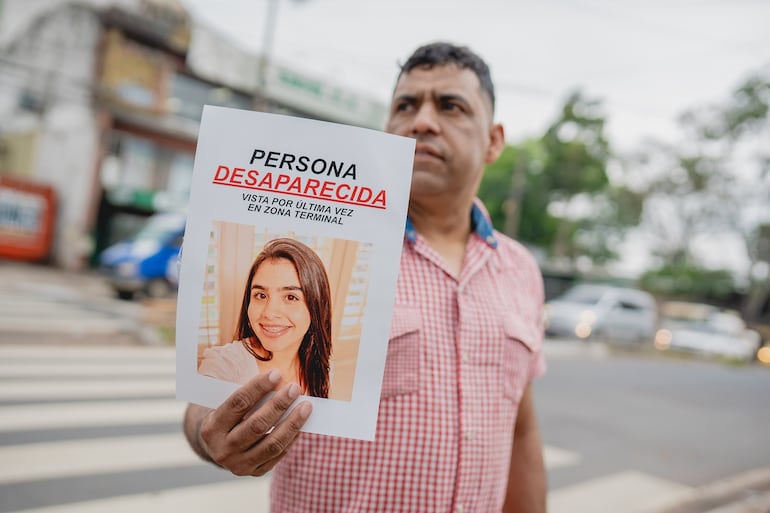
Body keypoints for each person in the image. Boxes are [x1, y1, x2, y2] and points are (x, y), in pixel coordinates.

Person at [183, 41, 547, 512]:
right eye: (406, 105)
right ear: (389, 129)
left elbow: (520, 428)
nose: (423, 121)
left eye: (451, 106)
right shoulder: (321, 247)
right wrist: (210, 436)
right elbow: (206, 403)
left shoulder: (520, 271)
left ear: (494, 140)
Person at [198, 237, 332, 398]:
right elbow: (198, 413)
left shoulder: (324, 368)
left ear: (317, 307)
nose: (269, 312)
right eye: (261, 295)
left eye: (290, 297)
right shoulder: (226, 364)